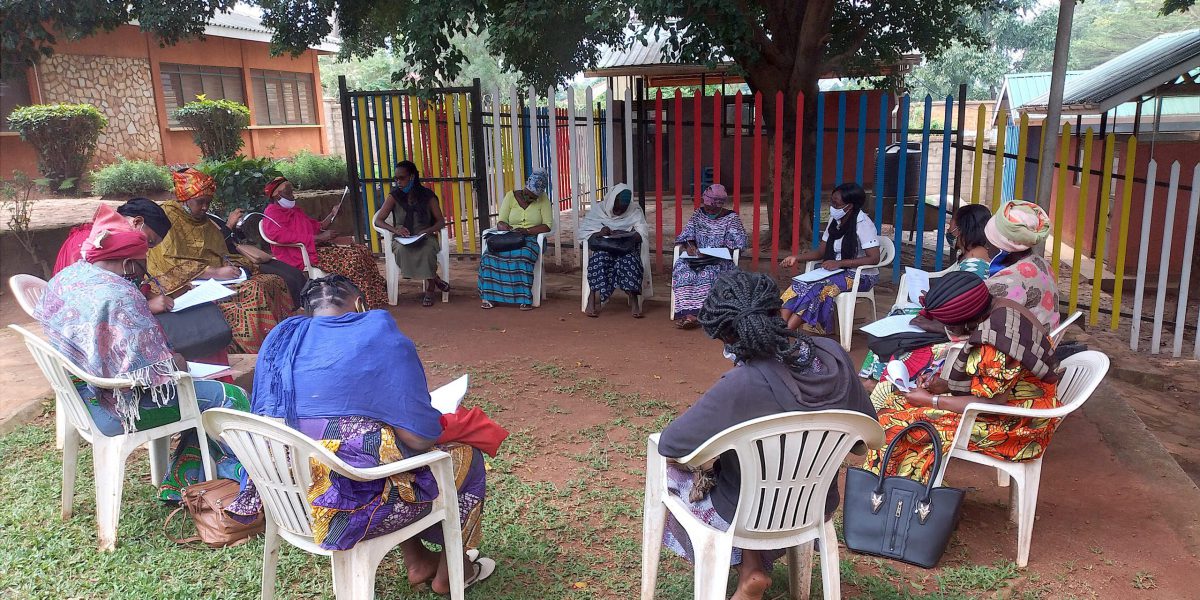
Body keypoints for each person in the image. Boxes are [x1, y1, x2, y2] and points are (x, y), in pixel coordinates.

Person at [229, 275, 496, 594]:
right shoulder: (376, 334)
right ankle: (455, 571)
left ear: (307, 312)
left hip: (290, 502)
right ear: (360, 305)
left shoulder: (281, 340)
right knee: (461, 457)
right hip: (346, 512)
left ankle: (418, 561)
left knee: (376, 453)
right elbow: (420, 438)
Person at [657, 271, 876, 600]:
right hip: (813, 505)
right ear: (777, 310)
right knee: (760, 463)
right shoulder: (834, 355)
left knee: (678, 473)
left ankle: (749, 567)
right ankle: (751, 570)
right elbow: (863, 440)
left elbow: (672, 443)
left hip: (746, 514)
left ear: (727, 337)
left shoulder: (742, 383)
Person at [34, 205, 249, 501]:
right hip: (115, 411)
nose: (141, 275)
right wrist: (182, 364)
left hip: (79, 397)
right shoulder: (121, 296)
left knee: (198, 395)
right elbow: (162, 371)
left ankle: (180, 483)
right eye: (140, 266)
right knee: (228, 397)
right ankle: (244, 485)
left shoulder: (67, 277)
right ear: (126, 264)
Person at [863, 271, 1062, 482]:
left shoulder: (994, 339)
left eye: (950, 325)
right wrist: (946, 385)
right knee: (894, 401)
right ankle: (899, 484)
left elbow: (994, 401)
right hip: (1023, 402)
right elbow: (997, 379)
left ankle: (886, 489)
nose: (948, 331)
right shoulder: (1004, 306)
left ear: (967, 321)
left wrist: (932, 400)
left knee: (892, 422)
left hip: (1019, 424)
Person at [147, 168, 295, 353]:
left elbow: (218, 251)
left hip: (212, 279)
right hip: (180, 284)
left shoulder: (202, 220)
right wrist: (215, 272)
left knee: (274, 281)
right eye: (200, 202)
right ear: (184, 198)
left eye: (208, 202)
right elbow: (167, 262)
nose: (205, 207)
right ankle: (258, 350)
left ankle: (282, 341)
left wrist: (229, 266)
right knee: (253, 291)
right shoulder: (168, 218)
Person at [857, 203, 994, 381]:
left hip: (952, 324)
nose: (949, 231)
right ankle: (875, 375)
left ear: (961, 230)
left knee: (898, 321)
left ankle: (879, 377)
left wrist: (932, 309)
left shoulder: (974, 266)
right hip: (948, 319)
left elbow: (961, 309)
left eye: (951, 226)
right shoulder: (972, 257)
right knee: (899, 313)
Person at [261, 176, 388, 309]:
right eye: (288, 192)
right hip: (302, 254)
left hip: (315, 248)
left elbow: (317, 226)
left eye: (292, 191)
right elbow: (279, 235)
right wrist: (319, 238)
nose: (292, 195)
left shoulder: (294, 211)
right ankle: (363, 304)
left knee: (362, 250)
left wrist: (332, 214)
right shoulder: (272, 213)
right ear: (277, 195)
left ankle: (377, 296)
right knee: (353, 259)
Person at [779, 182, 881, 334]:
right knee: (800, 284)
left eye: (836, 204)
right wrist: (796, 257)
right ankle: (780, 326)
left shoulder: (863, 224)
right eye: (831, 202)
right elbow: (821, 252)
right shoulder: (835, 221)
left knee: (818, 289)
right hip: (836, 272)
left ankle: (786, 331)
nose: (832, 206)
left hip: (861, 276)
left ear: (849, 206)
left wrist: (840, 263)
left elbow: (874, 258)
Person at [671, 184, 749, 329]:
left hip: (719, 261)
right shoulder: (698, 214)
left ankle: (700, 315)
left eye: (713, 208)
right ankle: (689, 314)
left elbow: (739, 244)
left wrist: (713, 251)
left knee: (707, 274)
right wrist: (690, 246)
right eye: (707, 206)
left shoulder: (731, 218)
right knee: (683, 271)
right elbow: (687, 235)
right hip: (697, 258)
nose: (708, 210)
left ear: (720, 204)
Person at [373, 161, 451, 306]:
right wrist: (396, 230)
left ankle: (430, 289)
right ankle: (435, 279)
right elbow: (378, 220)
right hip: (402, 238)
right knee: (402, 250)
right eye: (396, 178)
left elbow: (440, 222)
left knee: (427, 250)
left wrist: (427, 231)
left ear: (412, 177)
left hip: (425, 236)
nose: (398, 182)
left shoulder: (427, 196)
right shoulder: (394, 196)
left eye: (402, 178)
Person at [478, 169, 553, 310]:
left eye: (533, 197)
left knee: (523, 256)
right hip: (509, 237)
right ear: (525, 187)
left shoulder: (543, 200)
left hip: (531, 239)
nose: (529, 199)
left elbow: (547, 226)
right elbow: (501, 221)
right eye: (528, 194)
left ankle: (524, 298)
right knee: (488, 256)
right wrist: (503, 226)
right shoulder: (510, 196)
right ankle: (490, 297)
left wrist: (527, 231)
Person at [984, 199, 1061, 328]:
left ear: (1004, 247)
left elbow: (983, 323)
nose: (986, 246)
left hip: (1028, 339)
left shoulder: (1006, 282)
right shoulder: (1041, 263)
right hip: (1046, 336)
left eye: (989, 242)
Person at [577, 183, 649, 318]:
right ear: (611, 202)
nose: (619, 212)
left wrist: (624, 233)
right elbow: (583, 234)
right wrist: (600, 232)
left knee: (631, 261)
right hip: (604, 248)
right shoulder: (598, 211)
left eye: (623, 209)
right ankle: (592, 297)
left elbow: (642, 233)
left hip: (625, 248)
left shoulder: (634, 211)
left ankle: (634, 299)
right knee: (598, 259)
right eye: (616, 209)